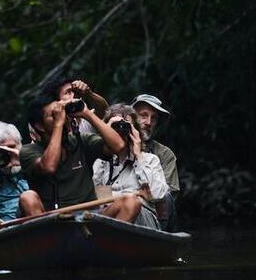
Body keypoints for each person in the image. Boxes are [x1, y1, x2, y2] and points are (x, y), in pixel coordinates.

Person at [18, 91, 143, 223]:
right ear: (39, 126)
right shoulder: (28, 151)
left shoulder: (80, 141)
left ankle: (105, 242)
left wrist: (86, 113)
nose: (62, 116)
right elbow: (49, 166)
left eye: (62, 112)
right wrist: (58, 124)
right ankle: (48, 243)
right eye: (54, 115)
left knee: (131, 202)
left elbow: (119, 147)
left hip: (89, 219)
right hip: (53, 225)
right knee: (28, 197)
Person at [92, 104, 169, 230]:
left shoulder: (150, 160)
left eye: (125, 126)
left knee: (132, 203)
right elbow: (99, 201)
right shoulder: (101, 162)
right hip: (110, 216)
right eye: (115, 127)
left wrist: (138, 156)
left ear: (135, 130)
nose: (120, 131)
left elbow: (157, 194)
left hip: (142, 222)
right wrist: (105, 142)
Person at [131, 94, 180, 231]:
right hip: (120, 207)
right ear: (131, 118)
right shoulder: (116, 146)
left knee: (166, 196)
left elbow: (168, 196)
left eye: (154, 118)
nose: (148, 122)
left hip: (154, 214)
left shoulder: (165, 154)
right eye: (143, 115)